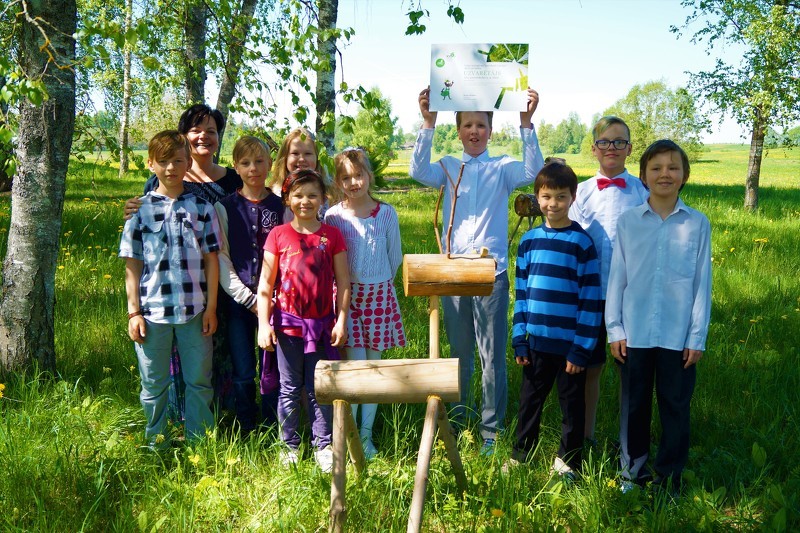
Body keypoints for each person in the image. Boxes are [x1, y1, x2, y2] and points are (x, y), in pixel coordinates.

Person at [409, 86, 544, 454]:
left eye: (481, 125)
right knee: (460, 354)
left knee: (491, 356)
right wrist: (428, 123)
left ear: (490, 130)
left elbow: (533, 171)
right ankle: (460, 420)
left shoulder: (502, 168)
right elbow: (418, 171)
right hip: (454, 274)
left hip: (490, 273)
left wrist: (526, 122)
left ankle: (491, 432)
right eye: (468, 125)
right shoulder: (449, 167)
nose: (474, 131)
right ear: (458, 131)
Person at [124, 104, 243, 425]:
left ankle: (211, 428)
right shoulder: (148, 197)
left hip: (212, 295)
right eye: (195, 130)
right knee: (159, 376)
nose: (204, 136)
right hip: (159, 304)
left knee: (208, 369)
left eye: (211, 131)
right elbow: (135, 258)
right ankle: (166, 431)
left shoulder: (226, 186)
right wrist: (134, 311)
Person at [606, 139, 711, 493]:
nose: (664, 174)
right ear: (643, 175)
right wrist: (615, 328)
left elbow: (701, 283)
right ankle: (632, 473)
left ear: (684, 175)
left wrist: (696, 336)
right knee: (634, 405)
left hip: (678, 335)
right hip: (634, 332)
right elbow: (617, 277)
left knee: (675, 406)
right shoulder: (628, 222)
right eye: (656, 168)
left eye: (673, 167)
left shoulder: (697, 224)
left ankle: (668, 477)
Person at [119, 130, 221, 448]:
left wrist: (212, 308)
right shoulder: (139, 211)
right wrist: (133, 312)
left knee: (199, 382)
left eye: (178, 161)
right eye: (163, 161)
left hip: (195, 311)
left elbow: (212, 260)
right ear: (151, 164)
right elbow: (132, 265)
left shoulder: (202, 208)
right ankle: (156, 444)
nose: (171, 168)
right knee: (153, 385)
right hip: (152, 313)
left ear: (188, 163)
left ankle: (199, 444)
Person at [506, 160, 602, 479]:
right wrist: (519, 337)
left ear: (573, 197)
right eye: (546, 196)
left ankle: (568, 461)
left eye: (561, 196)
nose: (553, 204)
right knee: (529, 402)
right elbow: (521, 293)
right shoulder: (529, 241)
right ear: (537, 198)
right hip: (536, 343)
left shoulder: (582, 243)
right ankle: (521, 454)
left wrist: (581, 349)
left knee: (572, 405)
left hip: (570, 346)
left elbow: (590, 300)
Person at [257, 169, 350, 473]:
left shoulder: (332, 236)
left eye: (312, 195)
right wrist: (264, 324)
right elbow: (266, 284)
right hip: (287, 327)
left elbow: (343, 282)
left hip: (321, 327)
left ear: (323, 199)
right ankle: (289, 446)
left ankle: (323, 444)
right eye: (298, 195)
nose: (305, 201)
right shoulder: (278, 235)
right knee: (288, 387)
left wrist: (341, 320)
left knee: (318, 387)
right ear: (287, 199)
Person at [567, 116, 649, 445]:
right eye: (604, 142)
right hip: (588, 295)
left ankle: (628, 444)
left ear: (629, 148)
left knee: (630, 369)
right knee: (587, 368)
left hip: (630, 296)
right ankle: (584, 437)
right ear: (593, 149)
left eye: (619, 141)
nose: (611, 147)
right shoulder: (581, 193)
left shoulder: (643, 192)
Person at [324, 147, 406, 459]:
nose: (353, 182)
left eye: (359, 175)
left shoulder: (386, 213)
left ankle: (368, 436)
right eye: (346, 178)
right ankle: (351, 437)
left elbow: (394, 256)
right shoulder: (334, 216)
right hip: (349, 299)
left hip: (379, 296)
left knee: (375, 368)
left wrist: (378, 279)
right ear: (338, 182)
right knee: (356, 367)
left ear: (369, 176)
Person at [215, 136, 284, 435]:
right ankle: (246, 426)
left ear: (270, 164)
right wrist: (248, 299)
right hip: (239, 304)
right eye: (245, 163)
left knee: (271, 368)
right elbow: (222, 258)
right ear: (236, 167)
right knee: (243, 370)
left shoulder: (282, 207)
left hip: (277, 304)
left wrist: (274, 298)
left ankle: (272, 424)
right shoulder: (224, 207)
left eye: (259, 161)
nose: (253, 168)